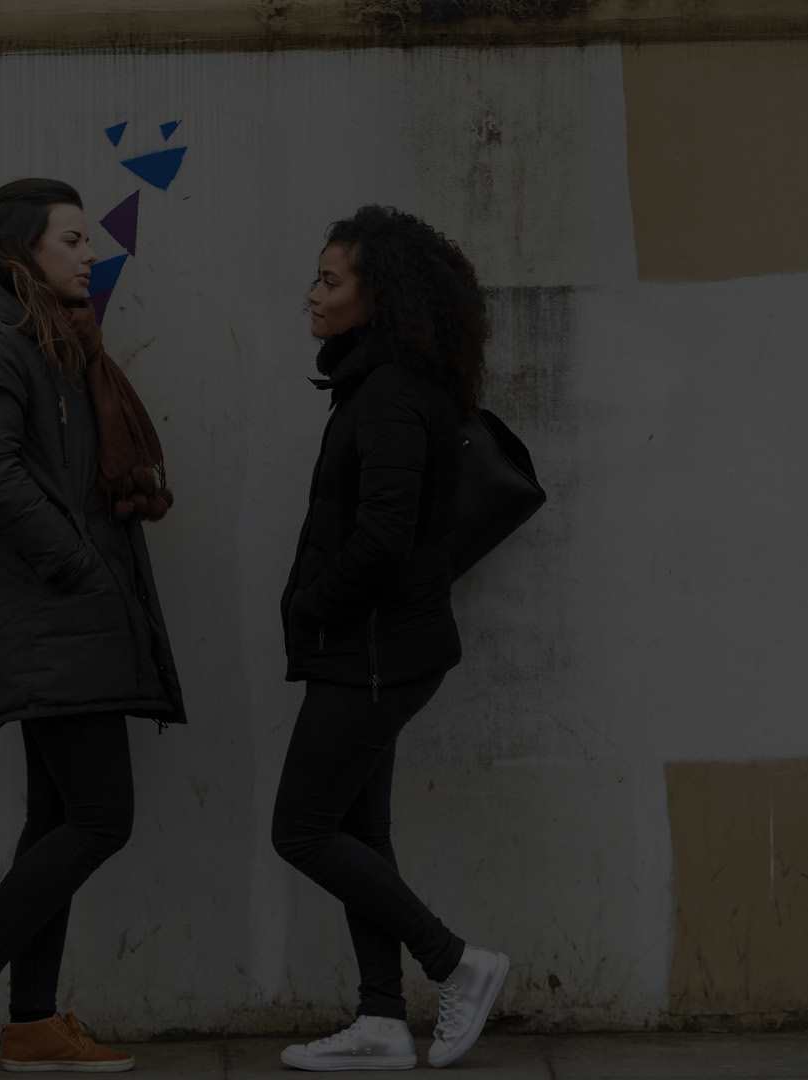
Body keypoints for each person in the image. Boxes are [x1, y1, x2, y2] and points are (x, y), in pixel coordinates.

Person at [0, 178, 185, 1074]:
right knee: (101, 816)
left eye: (88, 238)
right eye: (70, 239)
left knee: (57, 817)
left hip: (68, 613)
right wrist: (78, 562)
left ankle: (30, 1024)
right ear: (22, 250)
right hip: (53, 610)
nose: (88, 252)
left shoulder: (46, 343)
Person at [273, 205, 509, 1071]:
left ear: (379, 298)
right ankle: (379, 1020)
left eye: (331, 282)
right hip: (372, 648)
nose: (314, 295)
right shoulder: (384, 385)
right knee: (358, 833)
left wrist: (312, 606)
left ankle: (458, 964)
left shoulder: (390, 396)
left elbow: (382, 535)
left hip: (372, 651)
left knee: (300, 828)